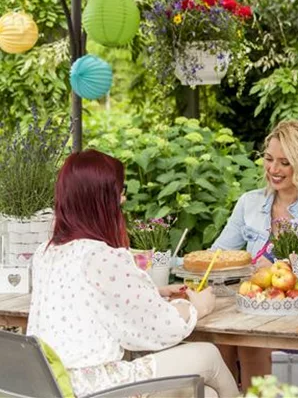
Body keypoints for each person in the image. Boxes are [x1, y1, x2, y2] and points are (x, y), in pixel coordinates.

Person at [27, 149, 239, 398]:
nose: (123, 199)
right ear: (103, 199)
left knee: (208, 395)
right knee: (208, 355)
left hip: (53, 384)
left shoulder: (45, 252)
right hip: (95, 388)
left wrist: (153, 292)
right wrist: (196, 306)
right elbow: (160, 328)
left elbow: (89, 301)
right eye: (120, 191)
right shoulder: (101, 256)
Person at [211, 119, 298, 391]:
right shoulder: (249, 203)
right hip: (255, 307)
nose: (273, 169)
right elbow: (217, 256)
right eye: (269, 159)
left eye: (285, 162)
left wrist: (287, 269)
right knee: (220, 338)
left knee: (251, 340)